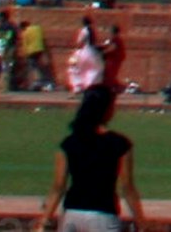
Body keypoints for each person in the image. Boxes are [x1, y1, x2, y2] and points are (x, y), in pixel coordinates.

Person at [49, 81, 142, 232]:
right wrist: (141, 221)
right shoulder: (119, 143)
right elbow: (127, 187)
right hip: (103, 214)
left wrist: (44, 219)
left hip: (72, 213)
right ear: (107, 109)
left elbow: (58, 187)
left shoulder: (69, 143)